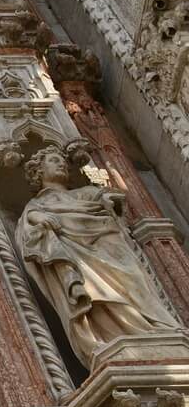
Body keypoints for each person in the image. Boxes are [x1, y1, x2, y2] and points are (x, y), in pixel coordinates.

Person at [17, 147, 181, 367]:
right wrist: (39, 219)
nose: (62, 164)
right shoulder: (35, 206)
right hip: (77, 256)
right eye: (54, 160)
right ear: (38, 171)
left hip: (109, 246)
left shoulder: (86, 192)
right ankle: (114, 337)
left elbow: (109, 200)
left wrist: (109, 198)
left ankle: (156, 326)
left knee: (134, 280)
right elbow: (29, 229)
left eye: (63, 161)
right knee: (95, 294)